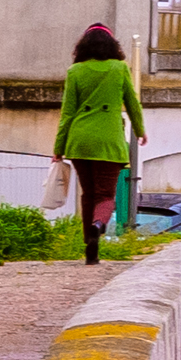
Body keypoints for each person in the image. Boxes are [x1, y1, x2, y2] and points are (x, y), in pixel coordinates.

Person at [55, 22, 144, 261]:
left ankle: (89, 246)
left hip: (80, 140)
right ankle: (98, 224)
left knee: (88, 194)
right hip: (108, 140)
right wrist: (140, 130)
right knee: (105, 195)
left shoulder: (75, 71)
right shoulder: (119, 68)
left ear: (83, 47)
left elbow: (67, 113)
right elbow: (132, 103)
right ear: (112, 46)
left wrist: (58, 148)